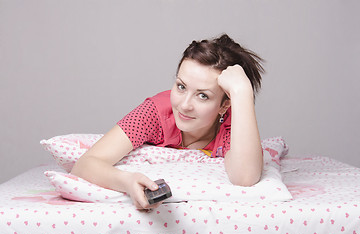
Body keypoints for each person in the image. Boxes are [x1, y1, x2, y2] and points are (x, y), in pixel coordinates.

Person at [71, 34, 264, 209]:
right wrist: (127, 182)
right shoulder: (154, 113)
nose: (185, 105)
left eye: (203, 96)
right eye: (181, 86)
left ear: (224, 106)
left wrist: (242, 91)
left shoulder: (231, 124)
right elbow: (86, 164)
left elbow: (245, 177)